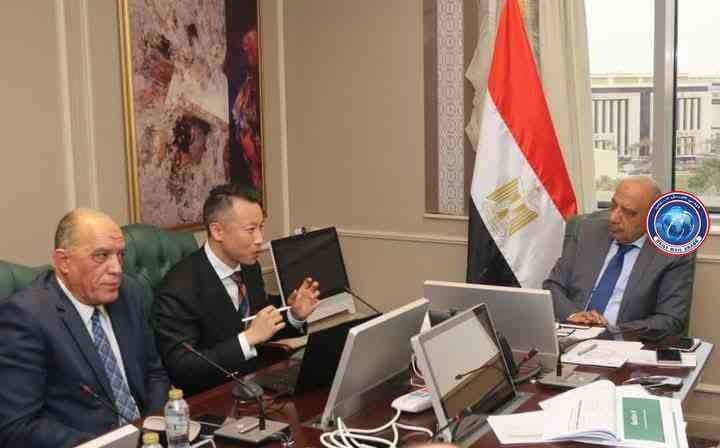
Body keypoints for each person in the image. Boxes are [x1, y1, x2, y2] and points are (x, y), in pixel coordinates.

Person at [0, 209, 169, 448]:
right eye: (101, 256)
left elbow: (155, 373)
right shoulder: (26, 317)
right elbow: (18, 426)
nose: (117, 269)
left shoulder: (128, 292)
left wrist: (152, 431)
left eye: (120, 255)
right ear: (63, 262)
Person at [152, 184, 320, 395]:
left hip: (257, 385)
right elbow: (183, 367)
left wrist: (294, 315)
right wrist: (247, 339)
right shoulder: (177, 288)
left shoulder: (249, 267)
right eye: (251, 230)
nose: (259, 239)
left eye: (261, 227)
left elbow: (260, 326)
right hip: (212, 396)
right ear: (217, 231)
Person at [543, 176, 695, 335]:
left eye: (628, 212)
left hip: (625, 342)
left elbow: (670, 319)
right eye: (613, 205)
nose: (613, 218)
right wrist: (573, 316)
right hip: (571, 334)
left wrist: (612, 331)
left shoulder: (671, 254)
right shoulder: (587, 230)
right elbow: (553, 285)